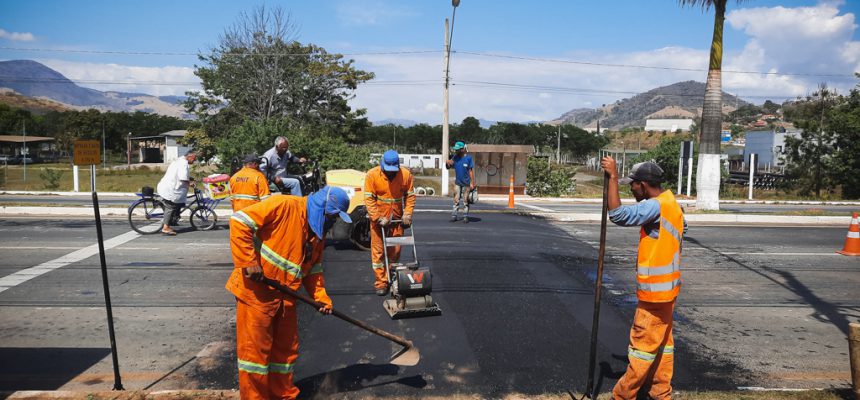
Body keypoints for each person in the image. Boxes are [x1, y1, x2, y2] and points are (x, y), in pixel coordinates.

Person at [227, 186, 352, 400]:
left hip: (287, 297)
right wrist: (248, 261)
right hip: (257, 295)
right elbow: (239, 222)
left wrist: (321, 298)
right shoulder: (283, 205)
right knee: (255, 357)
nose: (332, 223)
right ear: (321, 208)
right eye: (331, 217)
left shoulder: (316, 234)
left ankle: (282, 395)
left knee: (285, 353)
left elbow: (313, 269)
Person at [600, 156, 684, 400]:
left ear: (644, 185)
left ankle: (623, 395)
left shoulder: (655, 206)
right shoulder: (672, 204)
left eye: (632, 185)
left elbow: (617, 214)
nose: (631, 188)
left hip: (654, 294)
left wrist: (613, 177)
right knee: (663, 344)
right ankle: (660, 392)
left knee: (642, 347)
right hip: (668, 291)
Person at [363, 150, 416, 296]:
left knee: (395, 251)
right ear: (382, 165)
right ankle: (381, 282)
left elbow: (410, 196)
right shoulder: (372, 175)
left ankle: (391, 276)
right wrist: (377, 217)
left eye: (394, 170)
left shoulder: (405, 175)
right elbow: (369, 199)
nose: (391, 173)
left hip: (398, 219)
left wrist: (407, 213)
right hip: (379, 220)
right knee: (378, 252)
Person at [156, 150, 197, 236]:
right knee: (170, 206)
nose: (194, 160)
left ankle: (172, 220)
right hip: (170, 189)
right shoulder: (184, 164)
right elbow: (182, 177)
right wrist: (190, 183)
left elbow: (182, 175)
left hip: (167, 186)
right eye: (194, 158)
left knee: (178, 203)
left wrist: (190, 178)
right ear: (189, 157)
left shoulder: (179, 160)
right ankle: (165, 227)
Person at [445, 141, 475, 223]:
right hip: (457, 183)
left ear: (462, 149)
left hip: (466, 183)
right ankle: (454, 215)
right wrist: (447, 163)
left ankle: (465, 216)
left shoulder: (468, 158)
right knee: (456, 200)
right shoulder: (455, 157)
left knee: (465, 200)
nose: (456, 151)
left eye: (457, 149)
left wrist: (472, 183)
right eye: (455, 149)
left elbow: (470, 171)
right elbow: (448, 166)